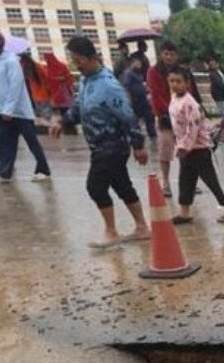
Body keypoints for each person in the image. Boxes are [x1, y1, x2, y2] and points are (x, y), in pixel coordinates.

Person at [52, 35, 150, 248]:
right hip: (98, 145)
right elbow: (78, 107)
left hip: (111, 146)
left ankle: (111, 231)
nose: (76, 65)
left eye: (79, 60)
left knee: (95, 187)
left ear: (92, 57)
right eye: (73, 60)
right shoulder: (86, 81)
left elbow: (128, 116)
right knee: (122, 184)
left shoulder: (108, 85)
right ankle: (142, 227)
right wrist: (63, 121)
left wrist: (138, 145)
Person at [167, 67, 224, 226]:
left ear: (187, 84)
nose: (174, 85)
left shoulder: (190, 103)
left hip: (198, 149)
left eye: (178, 81)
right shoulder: (174, 99)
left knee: (210, 180)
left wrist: (184, 147)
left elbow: (191, 128)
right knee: (185, 180)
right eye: (172, 81)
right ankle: (184, 211)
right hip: (186, 149)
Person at [0, 32, 52, 183]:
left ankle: (43, 170)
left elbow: (15, 85)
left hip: (19, 111)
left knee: (32, 142)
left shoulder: (11, 61)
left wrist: (9, 109)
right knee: (6, 143)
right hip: (1, 111)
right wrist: (0, 109)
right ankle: (4, 173)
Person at [146, 41, 199, 197]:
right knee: (165, 150)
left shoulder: (182, 71)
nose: (169, 57)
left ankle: (189, 181)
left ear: (176, 56)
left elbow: (189, 91)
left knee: (187, 149)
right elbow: (155, 95)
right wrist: (167, 112)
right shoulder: (154, 72)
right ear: (161, 54)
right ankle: (166, 183)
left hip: (183, 115)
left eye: (172, 54)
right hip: (165, 117)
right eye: (166, 53)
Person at [120, 56, 156, 141]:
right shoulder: (128, 74)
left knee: (149, 116)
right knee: (135, 119)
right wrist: (129, 100)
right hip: (135, 100)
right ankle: (137, 136)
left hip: (142, 99)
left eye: (140, 63)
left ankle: (152, 133)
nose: (139, 65)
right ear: (132, 63)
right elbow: (126, 87)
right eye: (137, 63)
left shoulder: (138, 73)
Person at [44, 51, 76, 131]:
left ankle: (70, 127)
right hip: (55, 93)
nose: (45, 60)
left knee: (67, 110)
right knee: (61, 111)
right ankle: (66, 127)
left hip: (63, 92)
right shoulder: (48, 69)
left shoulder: (61, 66)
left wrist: (60, 79)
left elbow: (68, 77)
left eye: (46, 58)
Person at [206, 55, 224, 143]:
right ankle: (216, 129)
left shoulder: (221, 72)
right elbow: (220, 84)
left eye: (214, 63)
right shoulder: (212, 74)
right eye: (211, 64)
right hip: (220, 97)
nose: (213, 65)